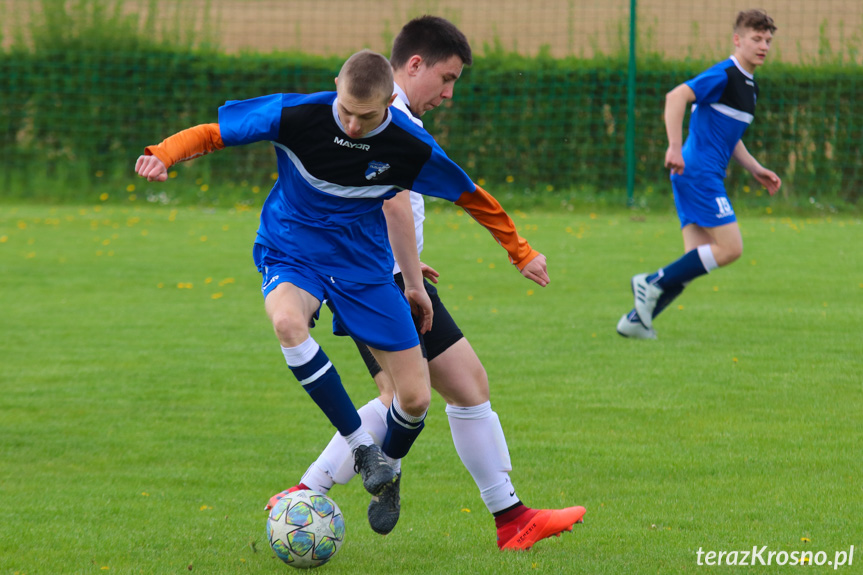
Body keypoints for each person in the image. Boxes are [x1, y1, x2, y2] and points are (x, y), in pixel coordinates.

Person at [135, 49, 507, 535]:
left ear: (388, 104)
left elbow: (469, 195)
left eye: (367, 116)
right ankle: (360, 446)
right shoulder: (298, 113)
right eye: (346, 111)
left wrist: (518, 252)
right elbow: (212, 133)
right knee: (287, 322)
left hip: (362, 267)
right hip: (291, 250)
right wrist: (163, 154)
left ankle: (387, 472)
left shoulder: (406, 141)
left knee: (413, 400)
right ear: (336, 86)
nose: (353, 125)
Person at [265, 16, 585, 551]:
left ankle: (503, 516)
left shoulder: (382, 114)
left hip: (382, 273)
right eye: (447, 77)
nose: (449, 93)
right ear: (415, 65)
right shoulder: (385, 121)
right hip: (375, 279)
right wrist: (413, 277)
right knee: (439, 391)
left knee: (437, 391)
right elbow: (391, 202)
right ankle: (507, 518)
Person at [617, 9, 782, 339]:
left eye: (768, 40)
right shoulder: (724, 74)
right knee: (731, 248)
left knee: (694, 260)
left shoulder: (749, 87)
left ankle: (636, 320)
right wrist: (674, 146)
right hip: (698, 173)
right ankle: (651, 282)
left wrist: (755, 168)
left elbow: (728, 138)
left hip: (697, 173)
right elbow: (676, 96)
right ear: (737, 40)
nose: (763, 45)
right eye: (756, 38)